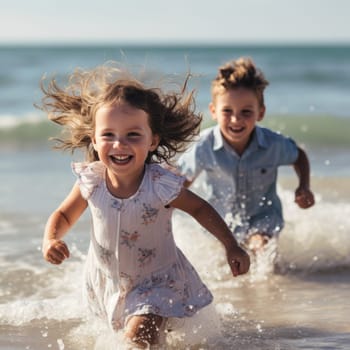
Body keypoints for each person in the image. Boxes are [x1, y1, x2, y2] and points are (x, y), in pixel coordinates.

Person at [39, 63, 250, 349]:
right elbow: (64, 213)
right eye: (108, 135)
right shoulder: (92, 181)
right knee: (138, 336)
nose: (119, 144)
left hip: (157, 280)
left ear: (153, 141)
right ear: (94, 139)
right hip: (109, 280)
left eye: (133, 135)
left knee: (141, 336)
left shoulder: (160, 184)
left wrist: (230, 245)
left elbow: (200, 209)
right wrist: (51, 238)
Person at [176, 57, 315, 254]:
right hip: (221, 221)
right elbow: (180, 183)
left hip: (263, 218)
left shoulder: (272, 144)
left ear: (261, 112)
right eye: (227, 111)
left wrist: (304, 186)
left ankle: (270, 285)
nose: (236, 119)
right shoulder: (203, 147)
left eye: (246, 112)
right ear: (213, 111)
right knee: (225, 265)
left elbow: (298, 155)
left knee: (261, 249)